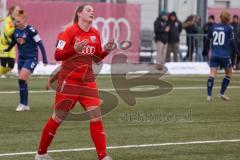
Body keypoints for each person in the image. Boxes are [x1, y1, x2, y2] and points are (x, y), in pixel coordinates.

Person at [35, 4, 114, 160]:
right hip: (69, 81)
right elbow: (57, 55)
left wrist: (106, 50)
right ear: (79, 14)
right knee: (57, 118)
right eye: (88, 10)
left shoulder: (95, 33)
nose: (92, 12)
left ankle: (103, 156)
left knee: (96, 116)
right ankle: (41, 153)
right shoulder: (69, 32)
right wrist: (75, 49)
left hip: (88, 82)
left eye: (93, 10)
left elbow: (96, 58)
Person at [4, 10, 48, 111]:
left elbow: (40, 44)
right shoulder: (16, 30)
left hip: (31, 58)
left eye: (18, 21)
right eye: (15, 21)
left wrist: (45, 58)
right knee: (22, 82)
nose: (16, 23)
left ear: (24, 20)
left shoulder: (31, 30)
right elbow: (14, 42)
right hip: (21, 58)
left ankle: (22, 103)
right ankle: (25, 104)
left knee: (21, 79)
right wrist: (8, 49)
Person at [205, 11, 239, 101]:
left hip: (214, 54)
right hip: (224, 55)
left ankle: (209, 95)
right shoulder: (229, 28)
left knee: (212, 74)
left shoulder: (213, 27)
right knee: (229, 73)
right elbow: (232, 42)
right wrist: (238, 53)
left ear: (220, 17)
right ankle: (221, 93)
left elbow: (207, 39)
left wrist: (205, 50)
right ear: (228, 18)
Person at [0, 6, 20, 78]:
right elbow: (8, 32)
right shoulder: (7, 20)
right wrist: (14, 26)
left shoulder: (17, 20)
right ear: (12, 11)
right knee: (4, 64)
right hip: (4, 44)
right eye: (17, 10)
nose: (19, 11)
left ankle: (1, 73)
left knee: (11, 65)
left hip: (11, 46)